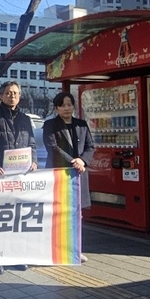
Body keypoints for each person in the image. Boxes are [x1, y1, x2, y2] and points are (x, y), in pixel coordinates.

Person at [0, 81, 38, 275]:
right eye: (9, 93)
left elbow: (32, 144)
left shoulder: (26, 119)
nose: (12, 96)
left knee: (17, 217)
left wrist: (34, 161)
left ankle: (17, 255)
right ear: (1, 96)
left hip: (19, 176)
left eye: (16, 93)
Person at [42, 91, 95, 265]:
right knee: (60, 212)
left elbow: (90, 146)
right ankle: (57, 248)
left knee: (77, 213)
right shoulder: (50, 125)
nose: (67, 108)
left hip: (79, 173)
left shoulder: (81, 124)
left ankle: (76, 249)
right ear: (56, 108)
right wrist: (74, 162)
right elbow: (53, 147)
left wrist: (82, 161)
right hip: (60, 174)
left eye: (69, 104)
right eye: (63, 105)